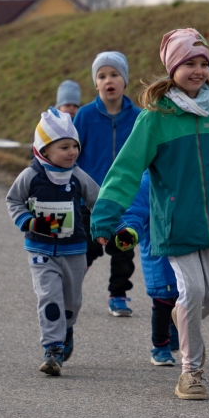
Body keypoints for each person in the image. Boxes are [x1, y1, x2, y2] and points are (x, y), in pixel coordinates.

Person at [89, 28, 209, 401]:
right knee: (190, 290)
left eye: (203, 63)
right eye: (189, 63)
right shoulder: (154, 118)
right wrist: (106, 215)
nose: (197, 70)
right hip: (173, 224)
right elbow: (125, 171)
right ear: (172, 67)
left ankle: (182, 318)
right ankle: (191, 372)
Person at [6, 108, 99, 376]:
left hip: (74, 249)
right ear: (44, 150)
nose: (72, 152)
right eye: (64, 147)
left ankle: (67, 329)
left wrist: (113, 226)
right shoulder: (30, 176)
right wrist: (27, 221)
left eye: (74, 146)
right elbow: (13, 201)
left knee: (72, 302)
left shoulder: (77, 176)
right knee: (49, 297)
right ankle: (52, 349)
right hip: (40, 249)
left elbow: (98, 201)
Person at [73, 51, 140, 316]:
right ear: (95, 83)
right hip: (89, 200)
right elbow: (72, 153)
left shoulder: (138, 118)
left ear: (125, 80)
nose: (108, 80)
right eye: (102, 76)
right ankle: (71, 286)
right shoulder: (85, 116)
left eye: (114, 74)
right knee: (85, 250)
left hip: (125, 200)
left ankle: (118, 294)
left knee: (123, 252)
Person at [118, 170, 181, 366]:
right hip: (158, 252)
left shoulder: (187, 176)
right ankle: (160, 347)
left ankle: (176, 331)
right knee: (163, 300)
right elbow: (135, 211)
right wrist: (129, 230)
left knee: (187, 298)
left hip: (188, 247)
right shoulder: (147, 182)